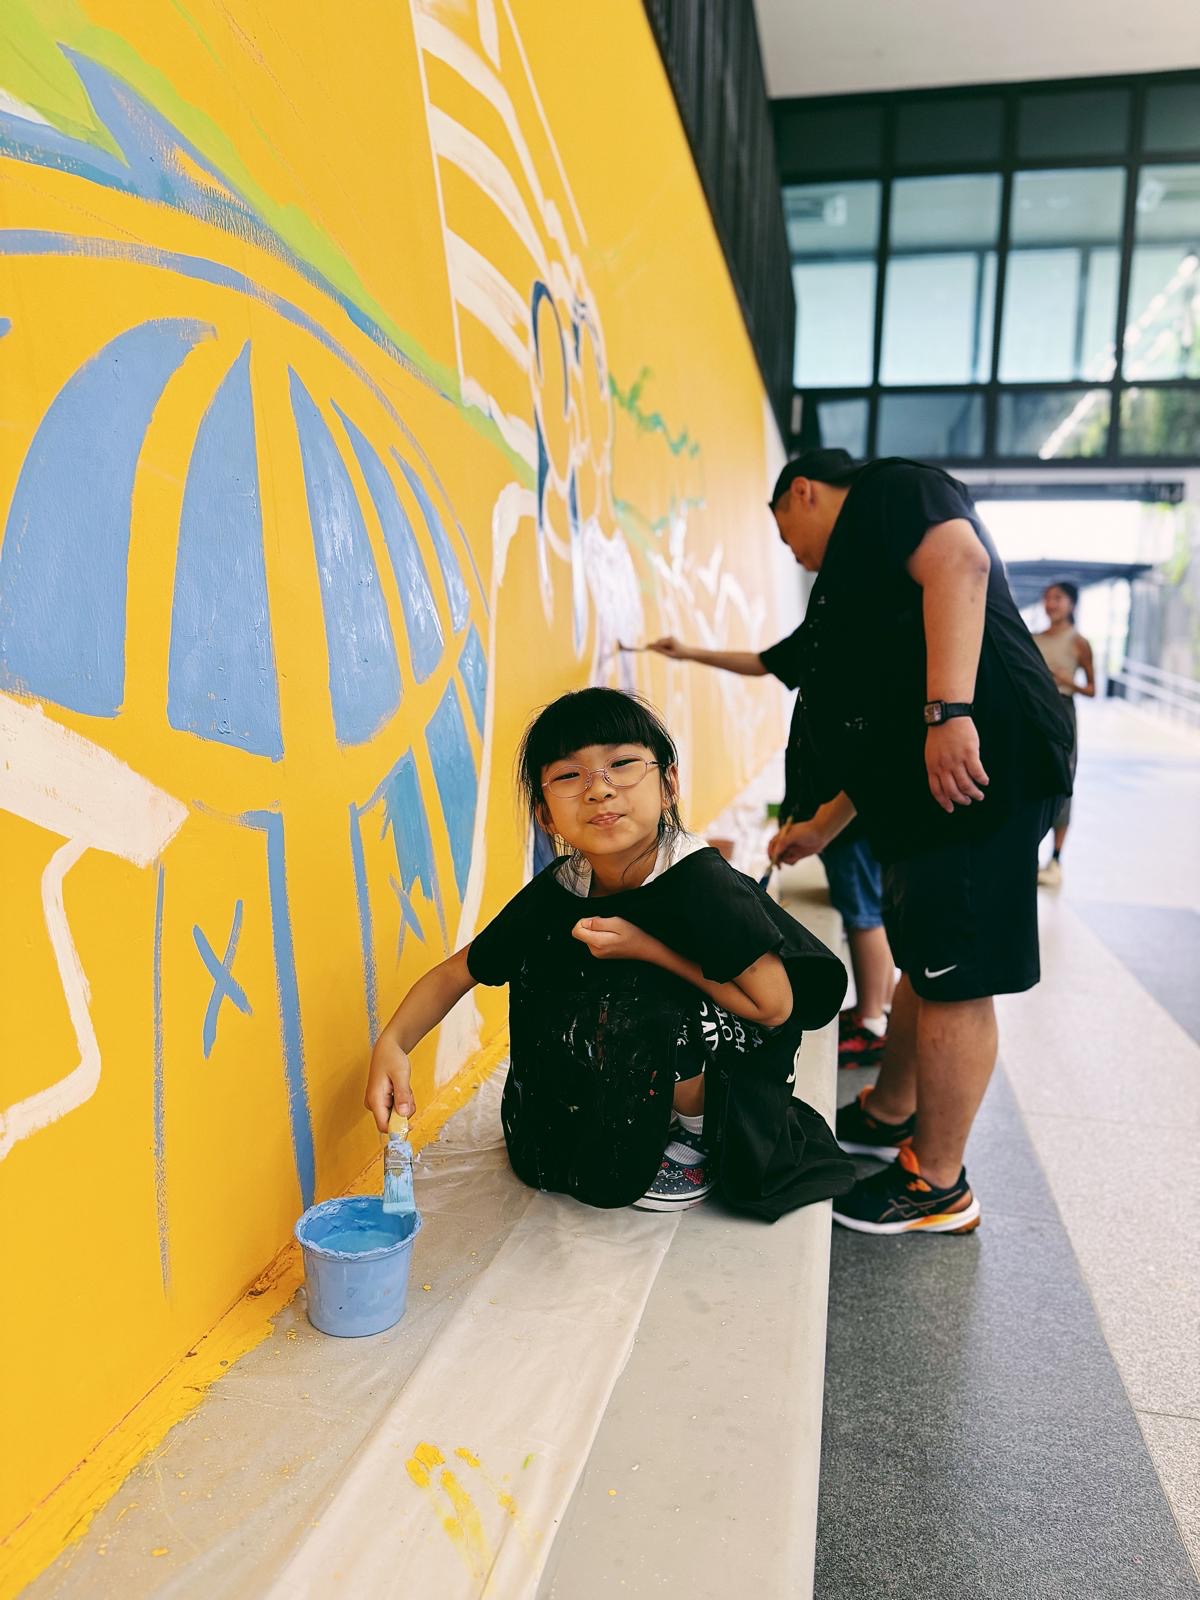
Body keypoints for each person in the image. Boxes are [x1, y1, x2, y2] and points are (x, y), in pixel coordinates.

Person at [364, 687, 853, 1218]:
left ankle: (696, 1138)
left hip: (737, 1055)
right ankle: (642, 1108)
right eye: (570, 776)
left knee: (644, 983)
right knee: (550, 962)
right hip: (659, 1043)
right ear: (545, 816)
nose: (599, 790)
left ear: (668, 785)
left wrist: (648, 949)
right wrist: (393, 1044)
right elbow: (462, 970)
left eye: (622, 765)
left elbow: (774, 1006)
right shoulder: (566, 885)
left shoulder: (701, 882)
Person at [764, 449, 1073, 1236]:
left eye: (785, 530)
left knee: (955, 976)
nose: (790, 550)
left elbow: (962, 564)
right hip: (931, 784)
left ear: (804, 490)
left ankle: (938, 1184)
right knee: (928, 957)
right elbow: (878, 721)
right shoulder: (865, 570)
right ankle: (892, 1107)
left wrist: (949, 714)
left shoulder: (892, 491)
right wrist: (821, 825)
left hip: (976, 765)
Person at [644, 635, 895, 1067]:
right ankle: (874, 1009)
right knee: (862, 908)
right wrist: (687, 651)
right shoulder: (830, 622)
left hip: (844, 819)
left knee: (862, 913)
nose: (798, 559)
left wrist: (820, 823)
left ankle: (873, 1020)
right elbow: (766, 661)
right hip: (827, 813)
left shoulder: (856, 626)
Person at [1033, 581, 1095, 887]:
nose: (1050, 604)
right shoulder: (1032, 639)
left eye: (1057, 598)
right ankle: (1027, 853)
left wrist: (1067, 681)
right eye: (1047, 599)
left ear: (1071, 604)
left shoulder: (1079, 643)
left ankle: (1055, 860)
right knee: (1030, 780)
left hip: (1063, 711)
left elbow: (1093, 689)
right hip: (1034, 712)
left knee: (1063, 780)